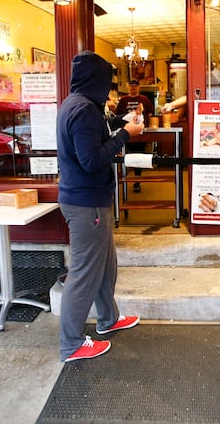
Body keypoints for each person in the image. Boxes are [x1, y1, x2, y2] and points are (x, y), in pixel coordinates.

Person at [56, 51, 143, 362]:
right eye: (107, 82)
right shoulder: (83, 110)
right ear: (97, 80)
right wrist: (125, 134)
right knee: (83, 274)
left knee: (105, 267)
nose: (109, 90)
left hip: (90, 202)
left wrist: (120, 122)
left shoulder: (77, 103)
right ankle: (71, 344)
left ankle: (108, 320)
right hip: (86, 205)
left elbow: (97, 129)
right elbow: (91, 160)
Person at [115, 79, 154, 192]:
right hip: (126, 132)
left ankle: (137, 180)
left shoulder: (144, 99)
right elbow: (118, 116)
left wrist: (150, 127)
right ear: (128, 87)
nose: (133, 88)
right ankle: (125, 179)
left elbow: (150, 114)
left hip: (140, 132)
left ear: (139, 87)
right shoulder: (123, 100)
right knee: (127, 155)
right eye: (131, 86)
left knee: (139, 155)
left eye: (135, 86)